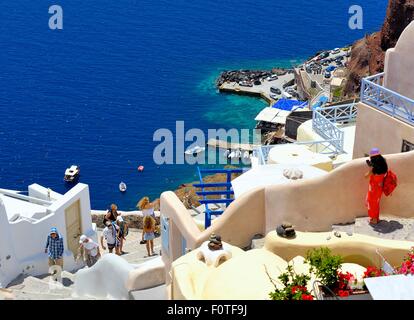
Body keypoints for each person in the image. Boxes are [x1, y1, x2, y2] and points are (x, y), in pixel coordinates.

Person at [365, 148, 388, 225]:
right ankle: (376, 218)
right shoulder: (384, 166)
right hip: (379, 188)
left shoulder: (373, 170)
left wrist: (370, 168)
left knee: (371, 203)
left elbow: (365, 176)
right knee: (376, 203)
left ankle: (374, 219)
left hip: (373, 189)